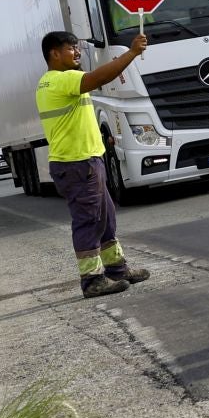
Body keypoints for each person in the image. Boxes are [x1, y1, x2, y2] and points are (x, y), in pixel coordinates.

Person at [37, 30, 152, 298]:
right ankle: (92, 280)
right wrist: (132, 52)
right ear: (54, 53)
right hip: (76, 164)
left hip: (87, 160)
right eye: (71, 49)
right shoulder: (62, 79)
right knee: (89, 221)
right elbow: (101, 77)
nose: (77, 53)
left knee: (105, 218)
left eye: (77, 48)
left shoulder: (53, 81)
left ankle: (117, 269)